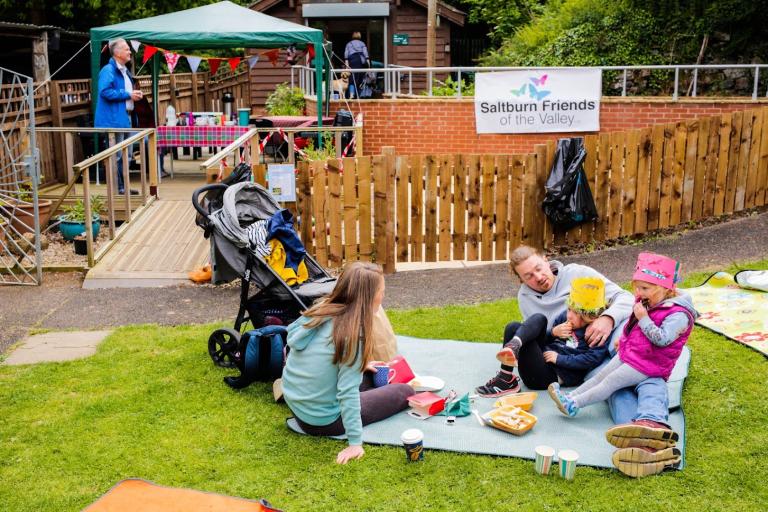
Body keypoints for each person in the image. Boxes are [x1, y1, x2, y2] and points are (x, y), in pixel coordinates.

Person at [480, 245, 682, 477]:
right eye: (529, 276)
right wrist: (553, 333)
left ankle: (651, 421)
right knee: (610, 384)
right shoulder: (526, 297)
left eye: (538, 268)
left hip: (609, 336)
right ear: (521, 280)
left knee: (636, 368)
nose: (538, 277)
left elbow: (625, 299)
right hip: (572, 355)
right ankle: (637, 440)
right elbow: (540, 340)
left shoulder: (577, 274)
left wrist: (606, 318)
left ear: (547, 260)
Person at [548, 253, 697, 475]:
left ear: (665, 288)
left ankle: (575, 405)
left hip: (647, 364)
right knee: (600, 376)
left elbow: (662, 339)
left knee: (609, 384)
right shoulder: (648, 301)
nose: (638, 293)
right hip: (631, 353)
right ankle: (570, 398)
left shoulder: (679, 314)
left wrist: (643, 317)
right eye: (637, 287)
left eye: (644, 288)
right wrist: (624, 340)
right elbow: (632, 327)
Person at [281, 262, 414, 464]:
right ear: (368, 297)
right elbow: (347, 393)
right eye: (381, 291)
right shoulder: (352, 335)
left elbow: (300, 342)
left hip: (298, 406)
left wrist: (361, 364)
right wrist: (354, 443)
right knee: (405, 391)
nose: (383, 296)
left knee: (373, 374)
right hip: (321, 420)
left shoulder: (323, 308)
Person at [492, 277, 609, 392]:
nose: (569, 315)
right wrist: (553, 332)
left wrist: (559, 359)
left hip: (548, 377)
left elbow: (590, 359)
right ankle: (507, 371)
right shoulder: (565, 317)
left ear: (588, 316)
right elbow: (546, 339)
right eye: (569, 309)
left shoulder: (596, 333)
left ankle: (506, 377)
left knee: (519, 330)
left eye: (575, 313)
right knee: (518, 325)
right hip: (540, 360)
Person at [94, 38, 141, 195]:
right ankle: (117, 188)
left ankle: (123, 187)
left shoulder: (124, 71)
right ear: (117, 52)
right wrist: (128, 94)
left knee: (126, 156)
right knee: (117, 156)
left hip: (125, 118)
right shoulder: (108, 70)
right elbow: (104, 91)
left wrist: (134, 95)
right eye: (127, 49)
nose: (129, 52)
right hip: (113, 120)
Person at [343, 32, 370, 99]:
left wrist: (347, 65)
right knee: (360, 77)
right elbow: (366, 54)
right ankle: (358, 95)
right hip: (361, 61)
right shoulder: (362, 43)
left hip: (352, 60)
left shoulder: (349, 44)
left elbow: (346, 55)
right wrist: (368, 64)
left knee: (352, 78)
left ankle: (352, 94)